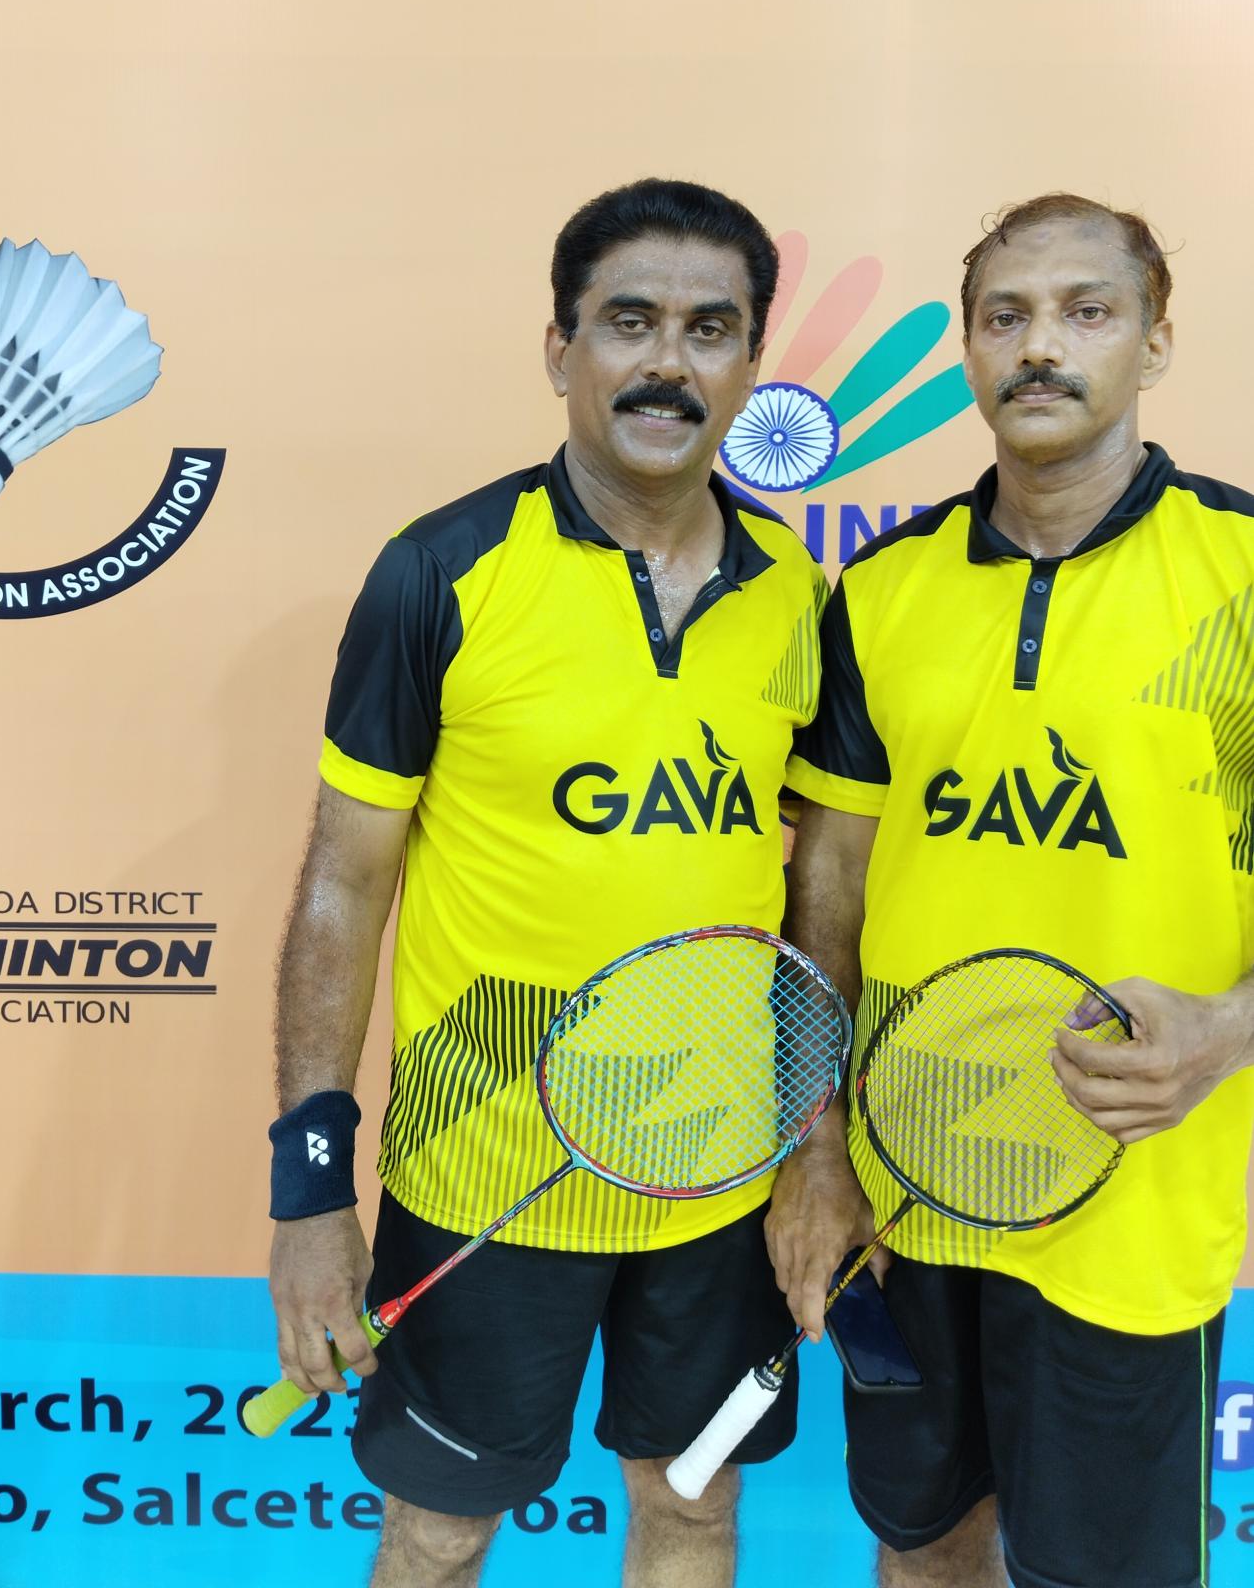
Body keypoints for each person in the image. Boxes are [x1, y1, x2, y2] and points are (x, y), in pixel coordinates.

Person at [268, 178, 829, 1588]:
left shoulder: (797, 593)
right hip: (485, 1173)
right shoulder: (441, 570)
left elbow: (826, 878)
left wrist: (816, 1138)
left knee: (691, 1510)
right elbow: (342, 886)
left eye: (710, 329)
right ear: (558, 347)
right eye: (628, 321)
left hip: (718, 1184)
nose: (667, 362)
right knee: (441, 1531)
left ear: (751, 363)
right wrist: (309, 1193)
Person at [769, 192, 1254, 1588]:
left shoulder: (1238, 570)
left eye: (1086, 311)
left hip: (1129, 1206)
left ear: (1155, 343)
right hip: (908, 1193)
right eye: (1006, 316)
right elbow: (830, 888)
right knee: (922, 1546)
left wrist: (1227, 1031)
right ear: (973, 351)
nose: (1041, 345)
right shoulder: (885, 587)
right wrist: (815, 1141)